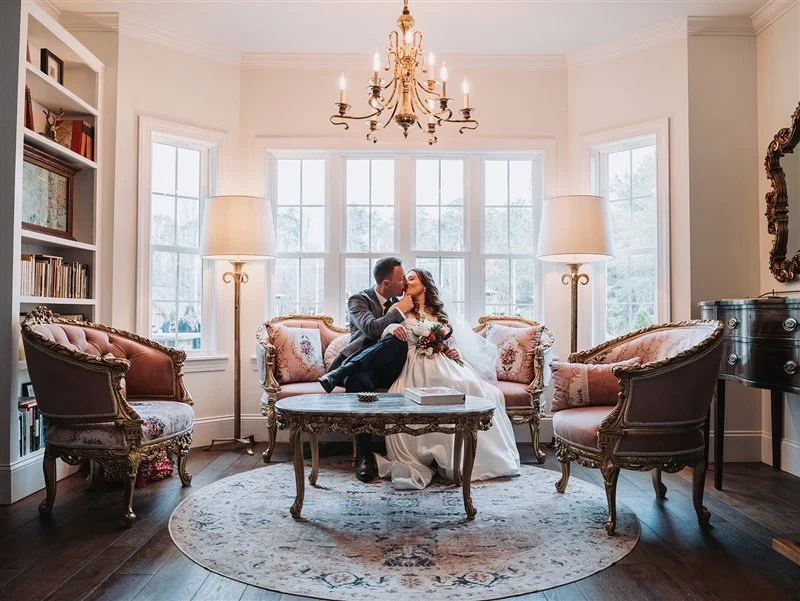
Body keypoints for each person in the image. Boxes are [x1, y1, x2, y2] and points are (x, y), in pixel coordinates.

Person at [374, 268, 521, 490]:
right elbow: (384, 331)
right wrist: (394, 326)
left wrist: (453, 352)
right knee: (413, 391)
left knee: (467, 384)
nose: (406, 281)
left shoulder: (439, 312)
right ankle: (426, 453)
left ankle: (467, 456)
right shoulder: (400, 307)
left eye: (411, 278)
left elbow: (452, 342)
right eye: (404, 279)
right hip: (413, 362)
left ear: (424, 284)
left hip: (442, 359)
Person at [320, 256, 414, 482]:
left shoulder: (402, 301)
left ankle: (340, 372)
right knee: (358, 380)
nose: (405, 284)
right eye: (401, 279)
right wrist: (397, 313)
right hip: (364, 366)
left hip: (387, 366)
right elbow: (371, 329)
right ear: (386, 283)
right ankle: (365, 454)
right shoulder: (358, 299)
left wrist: (396, 322)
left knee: (397, 339)